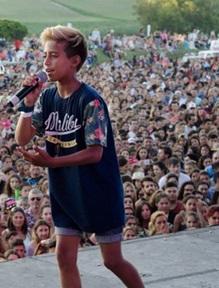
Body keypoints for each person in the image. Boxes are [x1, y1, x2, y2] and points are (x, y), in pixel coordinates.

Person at [15, 25, 144, 288]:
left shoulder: (90, 101)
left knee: (112, 260)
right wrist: (27, 106)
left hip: (98, 190)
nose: (46, 63)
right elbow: (22, 138)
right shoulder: (48, 97)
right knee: (63, 256)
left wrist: (52, 162)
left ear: (74, 61)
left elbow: (95, 153)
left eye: (53, 56)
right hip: (65, 191)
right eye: (44, 56)